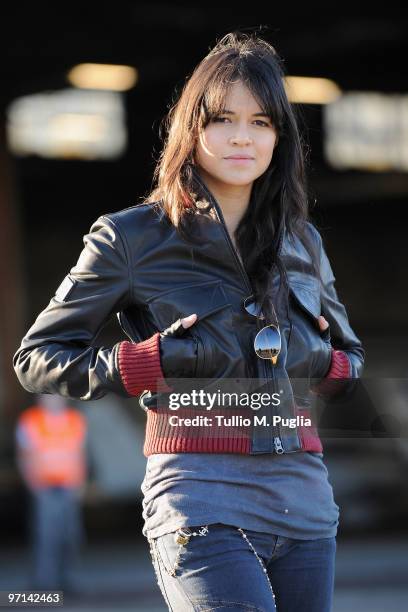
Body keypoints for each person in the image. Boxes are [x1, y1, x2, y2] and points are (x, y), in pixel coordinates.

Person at [13, 31, 364, 612]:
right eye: (223, 119)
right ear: (191, 128)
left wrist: (321, 359)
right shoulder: (129, 236)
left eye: (262, 122)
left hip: (304, 502)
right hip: (198, 498)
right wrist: (148, 362)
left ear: (281, 136)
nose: (242, 138)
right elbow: (38, 359)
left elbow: (350, 366)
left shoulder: (303, 241)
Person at [15, 394, 87, 592]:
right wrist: (32, 483)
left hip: (69, 487)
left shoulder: (74, 419)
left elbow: (79, 453)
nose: (53, 400)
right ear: (41, 399)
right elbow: (24, 456)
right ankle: (43, 583)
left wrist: (80, 483)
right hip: (44, 487)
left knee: (71, 535)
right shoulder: (31, 420)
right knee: (46, 536)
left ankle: (68, 581)